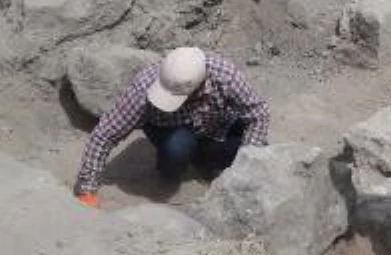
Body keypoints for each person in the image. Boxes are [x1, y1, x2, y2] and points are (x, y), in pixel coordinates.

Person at [72, 47, 270, 207]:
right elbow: (105, 134)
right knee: (178, 148)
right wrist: (87, 190)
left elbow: (258, 112)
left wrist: (246, 165)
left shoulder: (225, 75)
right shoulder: (144, 87)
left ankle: (206, 159)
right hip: (172, 130)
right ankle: (176, 166)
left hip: (216, 125)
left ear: (199, 88)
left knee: (254, 144)